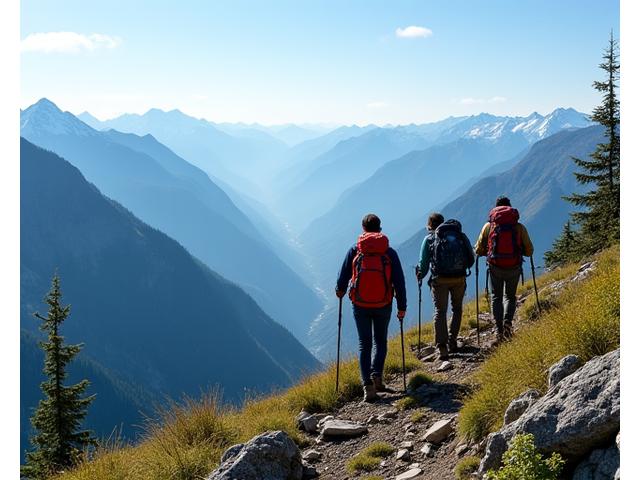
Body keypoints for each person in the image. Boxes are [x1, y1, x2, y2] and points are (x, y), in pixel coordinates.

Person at [336, 213, 407, 402]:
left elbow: (343, 276)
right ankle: (377, 378)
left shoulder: (355, 250)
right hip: (383, 303)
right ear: (380, 229)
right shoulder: (389, 253)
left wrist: (340, 290)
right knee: (380, 342)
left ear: (363, 229)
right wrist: (402, 307)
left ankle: (367, 386)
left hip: (360, 304)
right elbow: (399, 282)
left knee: (364, 344)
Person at [416, 213, 475, 360]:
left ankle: (442, 348)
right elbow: (471, 258)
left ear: (429, 226)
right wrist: (461, 268)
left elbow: (423, 265)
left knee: (440, 311)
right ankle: (452, 340)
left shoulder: (429, 239)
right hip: (459, 278)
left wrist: (420, 275)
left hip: (440, 279)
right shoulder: (459, 235)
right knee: (457, 308)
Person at [475, 196, 534, 343]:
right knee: (510, 296)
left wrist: (487, 252)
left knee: (496, 297)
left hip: (495, 266)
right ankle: (508, 323)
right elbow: (529, 251)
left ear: (495, 209)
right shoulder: (519, 227)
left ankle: (499, 329)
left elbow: (478, 249)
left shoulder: (488, 227)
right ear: (510, 208)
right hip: (513, 266)